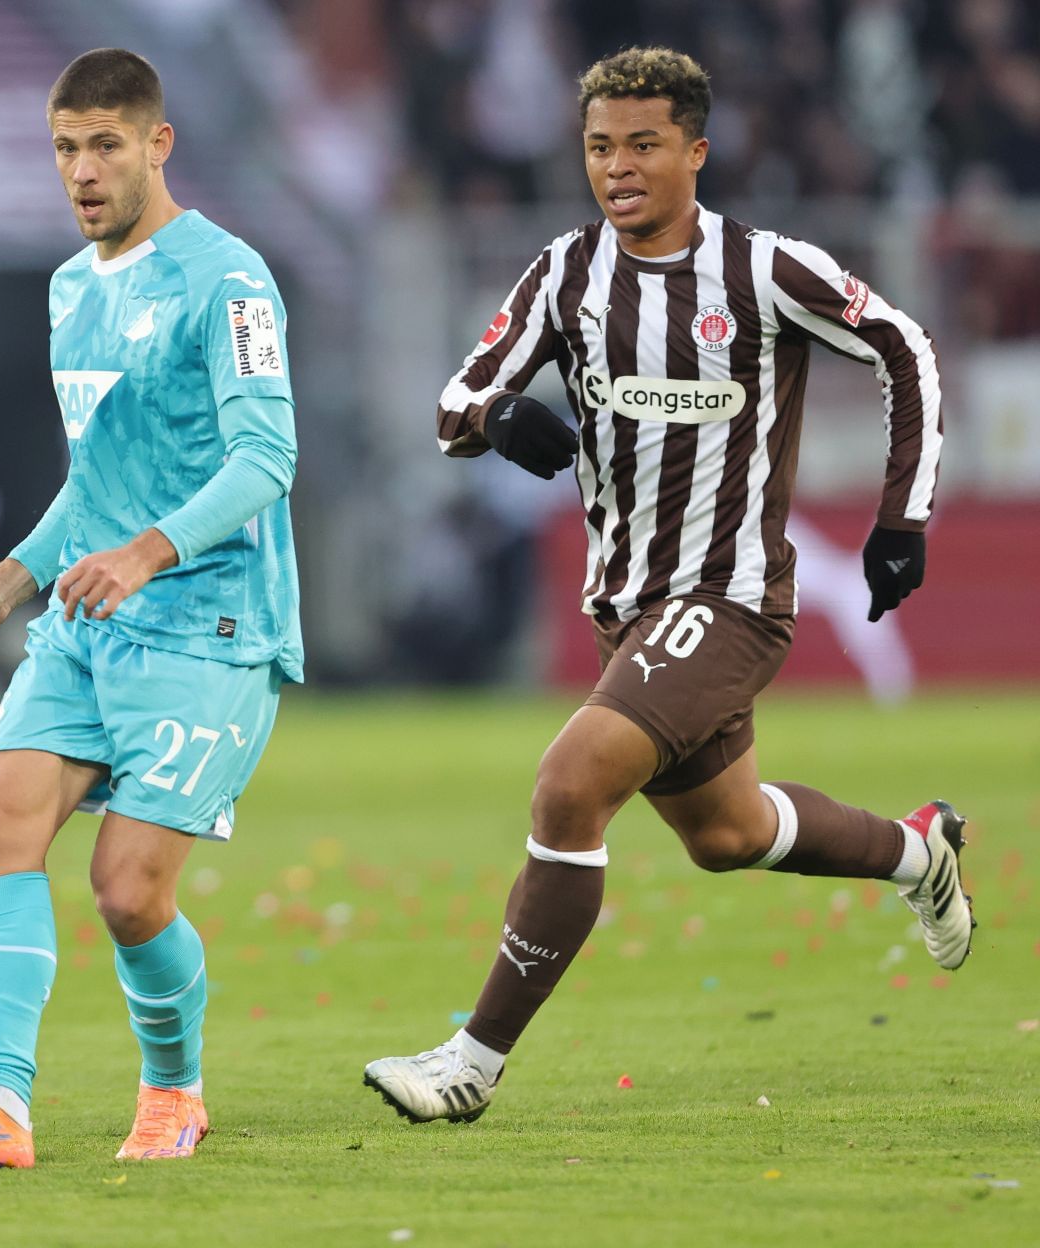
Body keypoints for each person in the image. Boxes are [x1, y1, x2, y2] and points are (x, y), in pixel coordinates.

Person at [364, 46, 968, 1125]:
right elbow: (459, 396)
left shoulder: (764, 270)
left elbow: (905, 344)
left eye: (643, 144)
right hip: (626, 605)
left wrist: (902, 515)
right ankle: (919, 854)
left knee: (569, 783)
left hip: (729, 595)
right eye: (600, 147)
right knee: (727, 835)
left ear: (696, 149)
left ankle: (471, 1064)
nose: (618, 167)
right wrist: (498, 420)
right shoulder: (564, 274)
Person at [0, 48, 302, 1166]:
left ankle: (174, 1090)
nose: (82, 170)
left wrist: (147, 554)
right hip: (89, 620)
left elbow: (269, 457)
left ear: (159, 144)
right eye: (65, 147)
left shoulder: (231, 279)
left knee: (126, 892)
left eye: (105, 144)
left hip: (211, 626)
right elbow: (95, 481)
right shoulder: (72, 287)